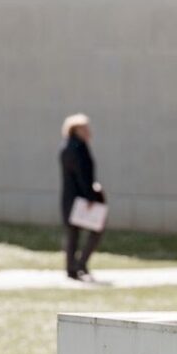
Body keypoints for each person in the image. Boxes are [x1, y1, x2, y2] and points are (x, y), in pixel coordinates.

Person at [59, 113, 106, 280]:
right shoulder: (76, 148)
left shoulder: (71, 146)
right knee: (92, 230)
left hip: (73, 198)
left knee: (74, 234)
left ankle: (74, 266)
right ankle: (77, 265)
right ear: (76, 129)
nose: (88, 131)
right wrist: (91, 197)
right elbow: (82, 175)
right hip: (80, 199)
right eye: (85, 128)